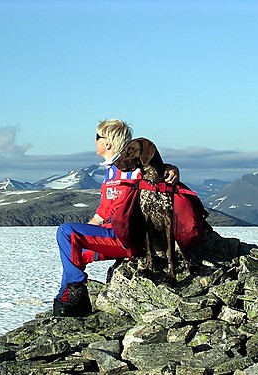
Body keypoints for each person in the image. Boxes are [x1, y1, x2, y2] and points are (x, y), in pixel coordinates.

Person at [53, 118, 179, 317]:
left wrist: (171, 169)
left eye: (97, 137)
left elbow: (153, 167)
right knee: (73, 252)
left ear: (108, 143)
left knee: (65, 231)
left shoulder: (130, 167)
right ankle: (65, 300)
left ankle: (76, 294)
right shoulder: (110, 171)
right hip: (110, 233)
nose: (94, 141)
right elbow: (102, 213)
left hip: (125, 236)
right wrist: (83, 234)